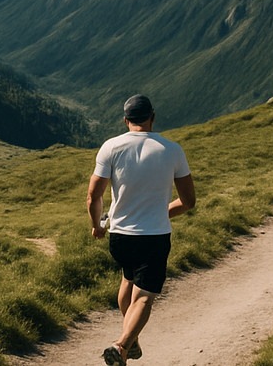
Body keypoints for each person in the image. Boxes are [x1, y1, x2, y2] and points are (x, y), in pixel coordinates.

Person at [88, 94, 195, 365]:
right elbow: (189, 201)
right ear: (153, 117)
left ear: (126, 120)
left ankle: (131, 339)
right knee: (145, 297)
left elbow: (93, 196)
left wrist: (98, 226)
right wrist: (163, 212)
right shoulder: (172, 150)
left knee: (128, 279)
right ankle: (122, 346)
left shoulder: (110, 147)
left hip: (120, 237)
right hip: (154, 236)